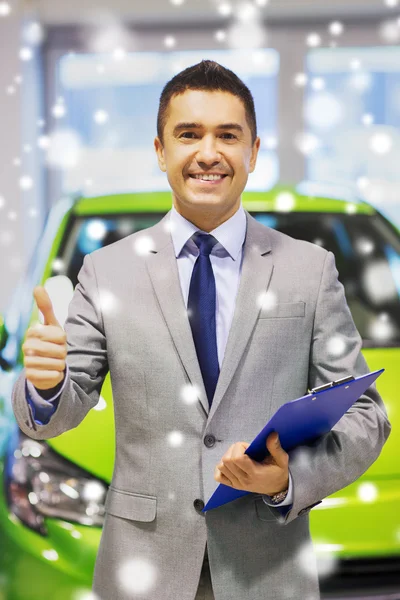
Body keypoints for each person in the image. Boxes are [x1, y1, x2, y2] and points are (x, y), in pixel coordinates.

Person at [12, 60, 391, 600]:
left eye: (227, 136)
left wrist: (288, 480)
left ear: (253, 152)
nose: (208, 153)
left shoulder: (310, 269)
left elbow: (366, 414)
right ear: (161, 150)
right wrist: (47, 386)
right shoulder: (106, 270)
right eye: (188, 134)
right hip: (143, 571)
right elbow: (59, 413)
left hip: (267, 572)